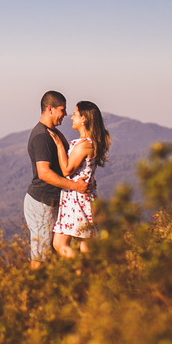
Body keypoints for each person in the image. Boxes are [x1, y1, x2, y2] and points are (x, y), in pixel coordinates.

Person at [24, 90, 89, 268]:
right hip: (42, 202)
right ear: (50, 109)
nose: (65, 115)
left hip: (50, 201)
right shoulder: (42, 137)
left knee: (48, 253)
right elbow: (44, 172)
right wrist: (75, 186)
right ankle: (31, 293)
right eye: (62, 110)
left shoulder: (53, 133)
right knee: (40, 256)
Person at [47, 100, 111, 257]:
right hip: (77, 196)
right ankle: (87, 272)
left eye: (75, 114)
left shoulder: (84, 145)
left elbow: (67, 170)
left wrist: (59, 146)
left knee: (63, 243)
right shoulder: (87, 143)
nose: (71, 117)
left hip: (76, 198)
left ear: (84, 119)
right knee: (82, 244)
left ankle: (84, 271)